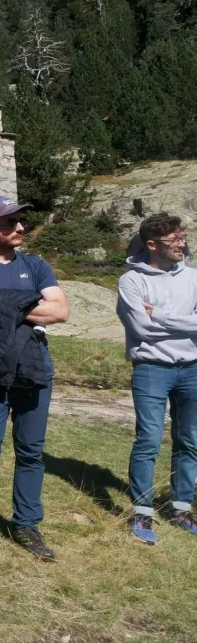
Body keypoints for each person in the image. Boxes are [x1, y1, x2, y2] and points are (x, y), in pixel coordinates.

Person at [0, 196, 70, 565]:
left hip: (35, 370)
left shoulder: (37, 266)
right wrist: (28, 307)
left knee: (31, 452)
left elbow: (62, 311)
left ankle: (26, 525)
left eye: (20, 222)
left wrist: (3, 306)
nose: (20, 228)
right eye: (9, 224)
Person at [116, 212, 197, 544]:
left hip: (192, 367)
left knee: (189, 441)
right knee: (148, 440)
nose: (182, 244)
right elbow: (140, 328)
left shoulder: (193, 277)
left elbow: (153, 323)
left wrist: (160, 315)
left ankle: (181, 508)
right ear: (152, 244)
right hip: (150, 369)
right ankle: (142, 513)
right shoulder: (131, 281)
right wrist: (185, 322)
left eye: (182, 237)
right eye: (174, 240)